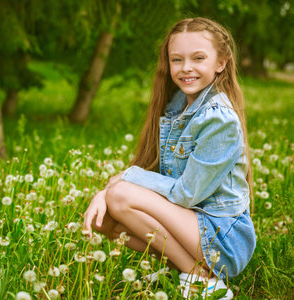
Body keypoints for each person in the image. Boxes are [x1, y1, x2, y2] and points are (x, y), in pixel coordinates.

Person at [83, 17, 256, 299]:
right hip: (194, 226)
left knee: (120, 197)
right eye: (177, 59)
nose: (186, 68)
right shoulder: (176, 107)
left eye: (198, 58)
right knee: (107, 221)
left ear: (221, 62)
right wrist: (107, 191)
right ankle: (185, 269)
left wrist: (122, 181)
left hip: (224, 239)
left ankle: (200, 279)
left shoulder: (218, 119)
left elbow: (186, 194)